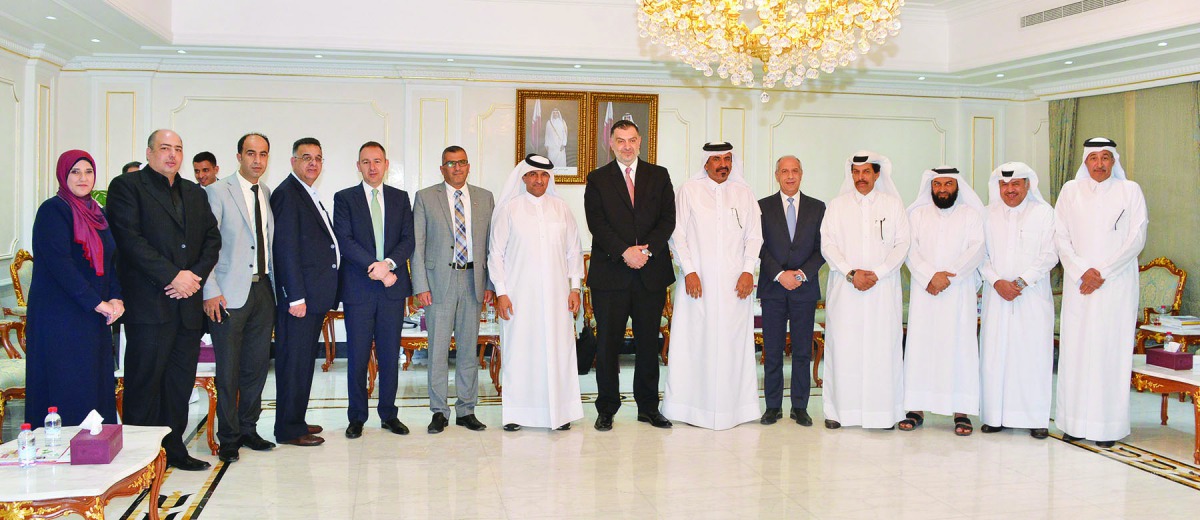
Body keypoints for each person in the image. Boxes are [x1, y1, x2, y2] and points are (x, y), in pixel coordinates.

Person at [106, 129, 221, 471]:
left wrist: (193, 276)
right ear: (149, 152)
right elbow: (130, 241)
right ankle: (139, 461)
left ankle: (174, 450)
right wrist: (173, 276)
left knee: (178, 385)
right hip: (149, 305)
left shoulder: (193, 192)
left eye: (178, 149)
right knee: (144, 384)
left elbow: (212, 240)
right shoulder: (127, 187)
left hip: (186, 306)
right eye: (165, 148)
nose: (172, 155)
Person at [1054, 137, 1148, 448]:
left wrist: (1102, 273)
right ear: (1085, 161)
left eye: (1105, 157)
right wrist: (1083, 271)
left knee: (1110, 352)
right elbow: (1060, 236)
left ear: (1113, 161)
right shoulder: (1070, 191)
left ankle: (1107, 427)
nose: (1099, 164)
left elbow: (1136, 238)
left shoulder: (1130, 190)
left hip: (1115, 286)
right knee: (1077, 352)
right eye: (1093, 158)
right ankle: (1074, 423)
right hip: (1079, 284)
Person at [583, 119, 676, 431]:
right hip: (611, 275)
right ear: (611, 143)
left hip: (650, 273)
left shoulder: (659, 175)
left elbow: (668, 219)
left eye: (632, 140)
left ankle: (648, 407)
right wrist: (625, 252)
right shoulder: (597, 179)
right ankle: (607, 408)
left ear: (640, 142)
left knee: (649, 343)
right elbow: (597, 223)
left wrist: (646, 252)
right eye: (620, 140)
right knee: (607, 345)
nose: (626, 146)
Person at [663, 142, 763, 430]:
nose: (723, 164)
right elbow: (677, 235)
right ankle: (689, 408)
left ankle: (736, 409)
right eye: (717, 159)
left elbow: (754, 236)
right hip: (698, 283)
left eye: (727, 159)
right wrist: (689, 271)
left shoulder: (744, 193)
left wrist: (748, 271)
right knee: (695, 342)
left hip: (736, 285)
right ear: (705, 163)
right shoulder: (689, 191)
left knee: (733, 345)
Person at [25, 150, 123, 428]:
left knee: (94, 382)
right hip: (61, 317)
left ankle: (94, 444)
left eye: (88, 171)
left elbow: (111, 260)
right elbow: (61, 266)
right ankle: (63, 448)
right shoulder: (53, 210)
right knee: (67, 384)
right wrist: (98, 303)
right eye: (75, 172)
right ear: (63, 175)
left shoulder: (98, 214)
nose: (83, 178)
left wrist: (116, 298)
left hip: (93, 315)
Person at [488, 154, 584, 431]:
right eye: (533, 175)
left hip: (557, 297)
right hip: (519, 297)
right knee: (520, 352)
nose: (539, 180)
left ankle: (560, 413)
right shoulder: (509, 210)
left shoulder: (561, 209)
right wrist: (501, 292)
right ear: (524, 178)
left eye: (544, 175)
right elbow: (496, 254)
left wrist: (575, 288)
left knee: (558, 352)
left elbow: (573, 251)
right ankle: (517, 414)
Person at [819, 151, 910, 430]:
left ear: (877, 174)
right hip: (846, 290)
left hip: (882, 290)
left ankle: (882, 414)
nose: (861, 178)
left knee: (881, 350)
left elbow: (903, 244)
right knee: (844, 348)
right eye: (856, 172)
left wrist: (878, 273)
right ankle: (839, 412)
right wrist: (851, 273)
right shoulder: (837, 206)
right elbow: (827, 245)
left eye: (866, 172)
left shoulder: (893, 205)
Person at [201, 133, 277, 463]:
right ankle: (229, 437)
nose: (257, 160)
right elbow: (207, 246)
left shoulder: (266, 193)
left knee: (256, 367)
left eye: (263, 154)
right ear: (238, 156)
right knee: (228, 370)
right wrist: (210, 290)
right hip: (227, 294)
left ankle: (249, 428)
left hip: (262, 290)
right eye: (251, 153)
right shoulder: (218, 191)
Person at [332, 141, 414, 439]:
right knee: (357, 355)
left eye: (377, 161)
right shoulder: (345, 198)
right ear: (358, 166)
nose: (372, 167)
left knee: (390, 355)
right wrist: (375, 268)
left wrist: (389, 264)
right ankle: (356, 417)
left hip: (392, 289)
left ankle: (389, 414)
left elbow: (408, 239)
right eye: (366, 162)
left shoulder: (400, 198)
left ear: (386, 164)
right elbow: (345, 240)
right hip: (359, 289)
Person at [411, 146, 494, 434]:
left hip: (473, 281)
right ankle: (439, 411)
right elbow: (417, 245)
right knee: (437, 351)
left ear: (468, 166)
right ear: (442, 168)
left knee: (469, 350)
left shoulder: (485, 198)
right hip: (438, 284)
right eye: (450, 163)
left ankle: (466, 410)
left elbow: (491, 244)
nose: (457, 168)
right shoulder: (425, 197)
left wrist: (490, 284)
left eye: (461, 163)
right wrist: (421, 285)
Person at [900, 166, 985, 436]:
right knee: (921, 348)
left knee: (960, 348)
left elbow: (976, 250)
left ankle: (961, 412)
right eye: (937, 185)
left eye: (948, 184)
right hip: (925, 291)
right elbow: (909, 249)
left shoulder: (971, 215)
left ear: (957, 186)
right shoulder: (917, 215)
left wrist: (948, 277)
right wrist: (929, 276)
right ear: (931, 187)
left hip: (958, 293)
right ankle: (916, 409)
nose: (943, 189)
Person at [979, 162, 1059, 439]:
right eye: (1004, 185)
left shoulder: (1044, 213)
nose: (1009, 190)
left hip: (1031, 296)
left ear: (1027, 185)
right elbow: (980, 254)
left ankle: (1035, 419)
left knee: (1032, 355)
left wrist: (1022, 281)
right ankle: (994, 417)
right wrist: (996, 281)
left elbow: (1050, 254)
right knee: (995, 354)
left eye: (1015, 184)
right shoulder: (986, 214)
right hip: (997, 295)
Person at [271, 137, 340, 447]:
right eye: (306, 157)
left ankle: (295, 418)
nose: (313, 163)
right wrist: (295, 296)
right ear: (293, 161)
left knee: (302, 362)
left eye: (318, 158)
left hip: (312, 297)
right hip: (300, 300)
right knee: (294, 364)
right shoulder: (288, 194)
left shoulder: (306, 192)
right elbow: (285, 249)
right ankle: (289, 429)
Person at [757, 155, 825, 427]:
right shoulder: (762, 207)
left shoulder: (817, 207)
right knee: (772, 351)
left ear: (801, 173)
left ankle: (800, 407)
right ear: (776, 175)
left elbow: (822, 248)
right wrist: (779, 274)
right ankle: (772, 407)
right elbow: (759, 245)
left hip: (803, 289)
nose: (790, 176)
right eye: (784, 171)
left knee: (802, 351)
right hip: (773, 288)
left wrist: (801, 274)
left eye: (794, 170)